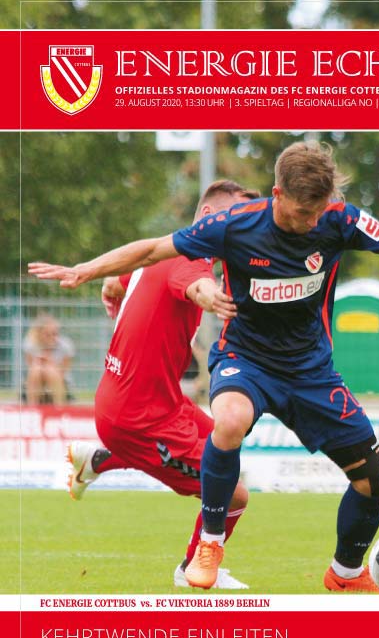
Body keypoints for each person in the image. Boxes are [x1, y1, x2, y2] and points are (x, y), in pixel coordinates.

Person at [29, 141, 379, 592]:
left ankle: (346, 573)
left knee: (376, 480)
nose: (311, 221)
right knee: (230, 420)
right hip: (246, 360)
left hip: (311, 372)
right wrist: (87, 270)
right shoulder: (235, 225)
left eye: (318, 211)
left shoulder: (339, 219)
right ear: (277, 195)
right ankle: (209, 545)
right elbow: (154, 250)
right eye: (302, 212)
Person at [64, 180, 259, 589]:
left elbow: (121, 279)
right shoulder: (192, 259)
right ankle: (191, 570)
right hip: (139, 417)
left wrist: (112, 288)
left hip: (152, 401)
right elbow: (194, 284)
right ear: (209, 218)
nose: (247, 229)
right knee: (234, 492)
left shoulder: (163, 249)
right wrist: (210, 296)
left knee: (227, 448)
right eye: (239, 218)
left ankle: (97, 460)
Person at [23, 313, 75, 405]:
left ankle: (59, 407)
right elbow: (30, 367)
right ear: (39, 334)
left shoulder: (65, 345)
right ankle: (33, 407)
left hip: (60, 383)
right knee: (36, 368)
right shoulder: (30, 344)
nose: (53, 337)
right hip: (36, 382)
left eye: (55, 334)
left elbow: (64, 371)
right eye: (47, 334)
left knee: (49, 369)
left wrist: (51, 364)